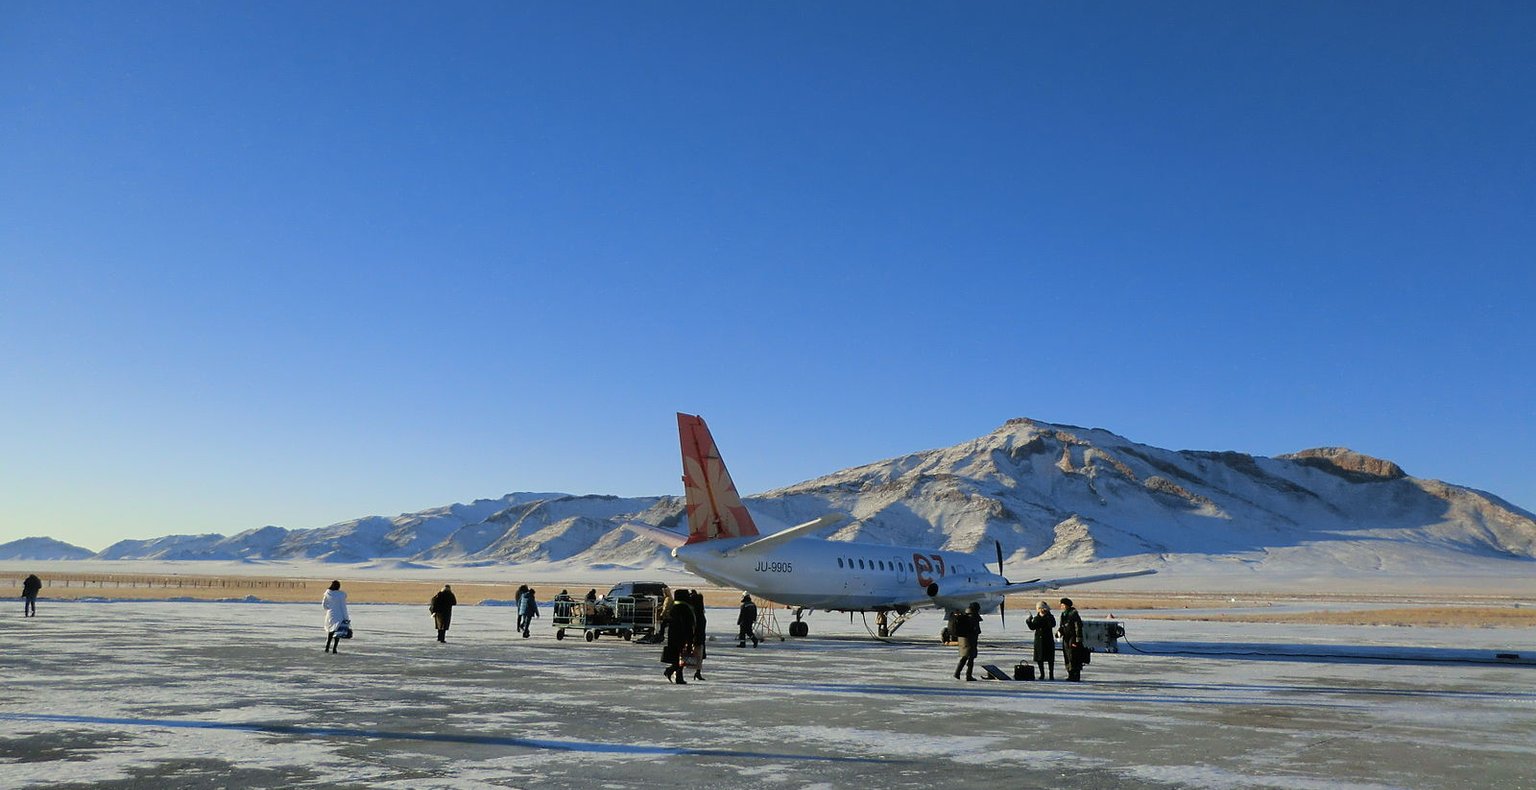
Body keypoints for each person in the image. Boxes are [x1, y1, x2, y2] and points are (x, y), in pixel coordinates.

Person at [661, 589, 696, 684]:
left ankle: (677, 676)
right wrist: (690, 639)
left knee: (677, 657)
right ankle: (671, 672)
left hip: (673, 636)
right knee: (682, 657)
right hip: (682, 636)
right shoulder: (685, 609)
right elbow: (688, 625)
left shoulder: (674, 607)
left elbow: (666, 621)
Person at [1025, 600, 1057, 680]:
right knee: (1040, 658)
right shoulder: (1037, 618)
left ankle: (1051, 674)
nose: (1040, 610)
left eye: (1041, 608)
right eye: (1038, 609)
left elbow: (1052, 624)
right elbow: (1033, 627)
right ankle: (1042, 674)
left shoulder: (1050, 617)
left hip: (1048, 639)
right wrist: (1029, 621)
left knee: (1050, 659)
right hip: (1039, 640)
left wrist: (1048, 615)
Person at [951, 602, 982, 681]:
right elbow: (976, 629)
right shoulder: (973, 616)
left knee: (964, 657)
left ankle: (957, 673)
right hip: (970, 640)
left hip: (963, 640)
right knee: (971, 658)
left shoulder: (965, 616)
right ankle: (968, 675)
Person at [1057, 597, 1085, 682]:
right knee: (1067, 656)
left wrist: (1078, 639)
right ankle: (1070, 673)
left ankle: (1075, 675)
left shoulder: (1073, 614)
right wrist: (1059, 633)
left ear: (1067, 605)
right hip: (1066, 638)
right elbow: (1062, 626)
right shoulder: (1063, 615)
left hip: (1073, 638)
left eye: (1063, 605)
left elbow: (1078, 627)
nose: (1061, 607)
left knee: (1074, 656)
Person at [322, 580, 350, 654]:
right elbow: (343, 607)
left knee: (330, 631)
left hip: (330, 615)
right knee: (338, 632)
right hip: (339, 615)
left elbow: (324, 605)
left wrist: (330, 609)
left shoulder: (327, 593)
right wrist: (346, 618)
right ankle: (334, 648)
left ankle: (327, 647)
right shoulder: (341, 595)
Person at [689, 590, 707, 680]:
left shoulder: (694, 613)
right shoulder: (699, 614)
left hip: (697, 637)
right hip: (698, 637)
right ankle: (697, 672)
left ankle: (697, 672)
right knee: (698, 655)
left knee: (696, 655)